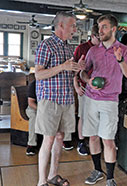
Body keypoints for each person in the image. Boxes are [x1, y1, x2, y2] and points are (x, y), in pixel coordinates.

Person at [80, 14, 127, 186]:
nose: (100, 30)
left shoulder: (124, 50)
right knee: (93, 138)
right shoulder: (93, 50)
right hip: (90, 98)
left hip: (110, 100)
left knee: (108, 140)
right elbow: (83, 72)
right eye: (98, 26)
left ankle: (110, 178)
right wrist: (87, 80)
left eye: (104, 26)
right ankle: (97, 170)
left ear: (113, 29)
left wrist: (120, 60)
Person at [35, 11, 82, 186]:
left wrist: (77, 68)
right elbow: (38, 74)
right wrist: (63, 66)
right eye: (73, 25)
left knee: (60, 137)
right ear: (61, 25)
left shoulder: (68, 47)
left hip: (66, 99)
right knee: (49, 138)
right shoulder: (46, 46)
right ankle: (41, 182)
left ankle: (53, 175)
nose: (75, 29)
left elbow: (69, 73)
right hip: (50, 100)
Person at [25, 80, 73, 156]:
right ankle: (31, 144)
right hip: (35, 108)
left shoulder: (56, 84)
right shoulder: (34, 84)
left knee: (64, 112)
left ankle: (66, 140)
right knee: (34, 116)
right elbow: (31, 102)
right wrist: (42, 111)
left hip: (51, 106)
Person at [74, 24, 100, 156]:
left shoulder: (104, 49)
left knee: (96, 116)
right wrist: (76, 86)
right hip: (84, 87)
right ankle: (81, 141)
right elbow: (74, 69)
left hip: (100, 90)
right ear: (94, 36)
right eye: (99, 39)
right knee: (83, 116)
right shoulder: (82, 48)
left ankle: (94, 140)